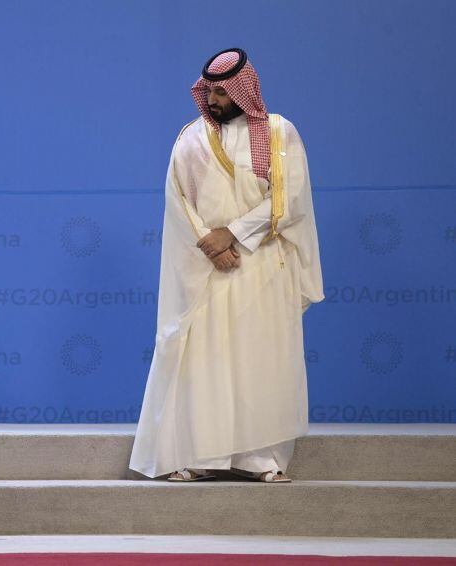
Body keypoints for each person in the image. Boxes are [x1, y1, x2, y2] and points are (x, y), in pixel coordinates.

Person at [129, 48, 323, 483]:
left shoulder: (279, 134)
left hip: (262, 265)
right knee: (207, 362)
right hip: (210, 270)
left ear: (243, 89)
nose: (213, 99)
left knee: (261, 362)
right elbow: (179, 200)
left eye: (221, 91)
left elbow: (288, 201)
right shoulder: (190, 138)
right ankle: (202, 455)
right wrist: (212, 245)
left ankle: (261, 459)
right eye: (209, 91)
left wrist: (232, 233)